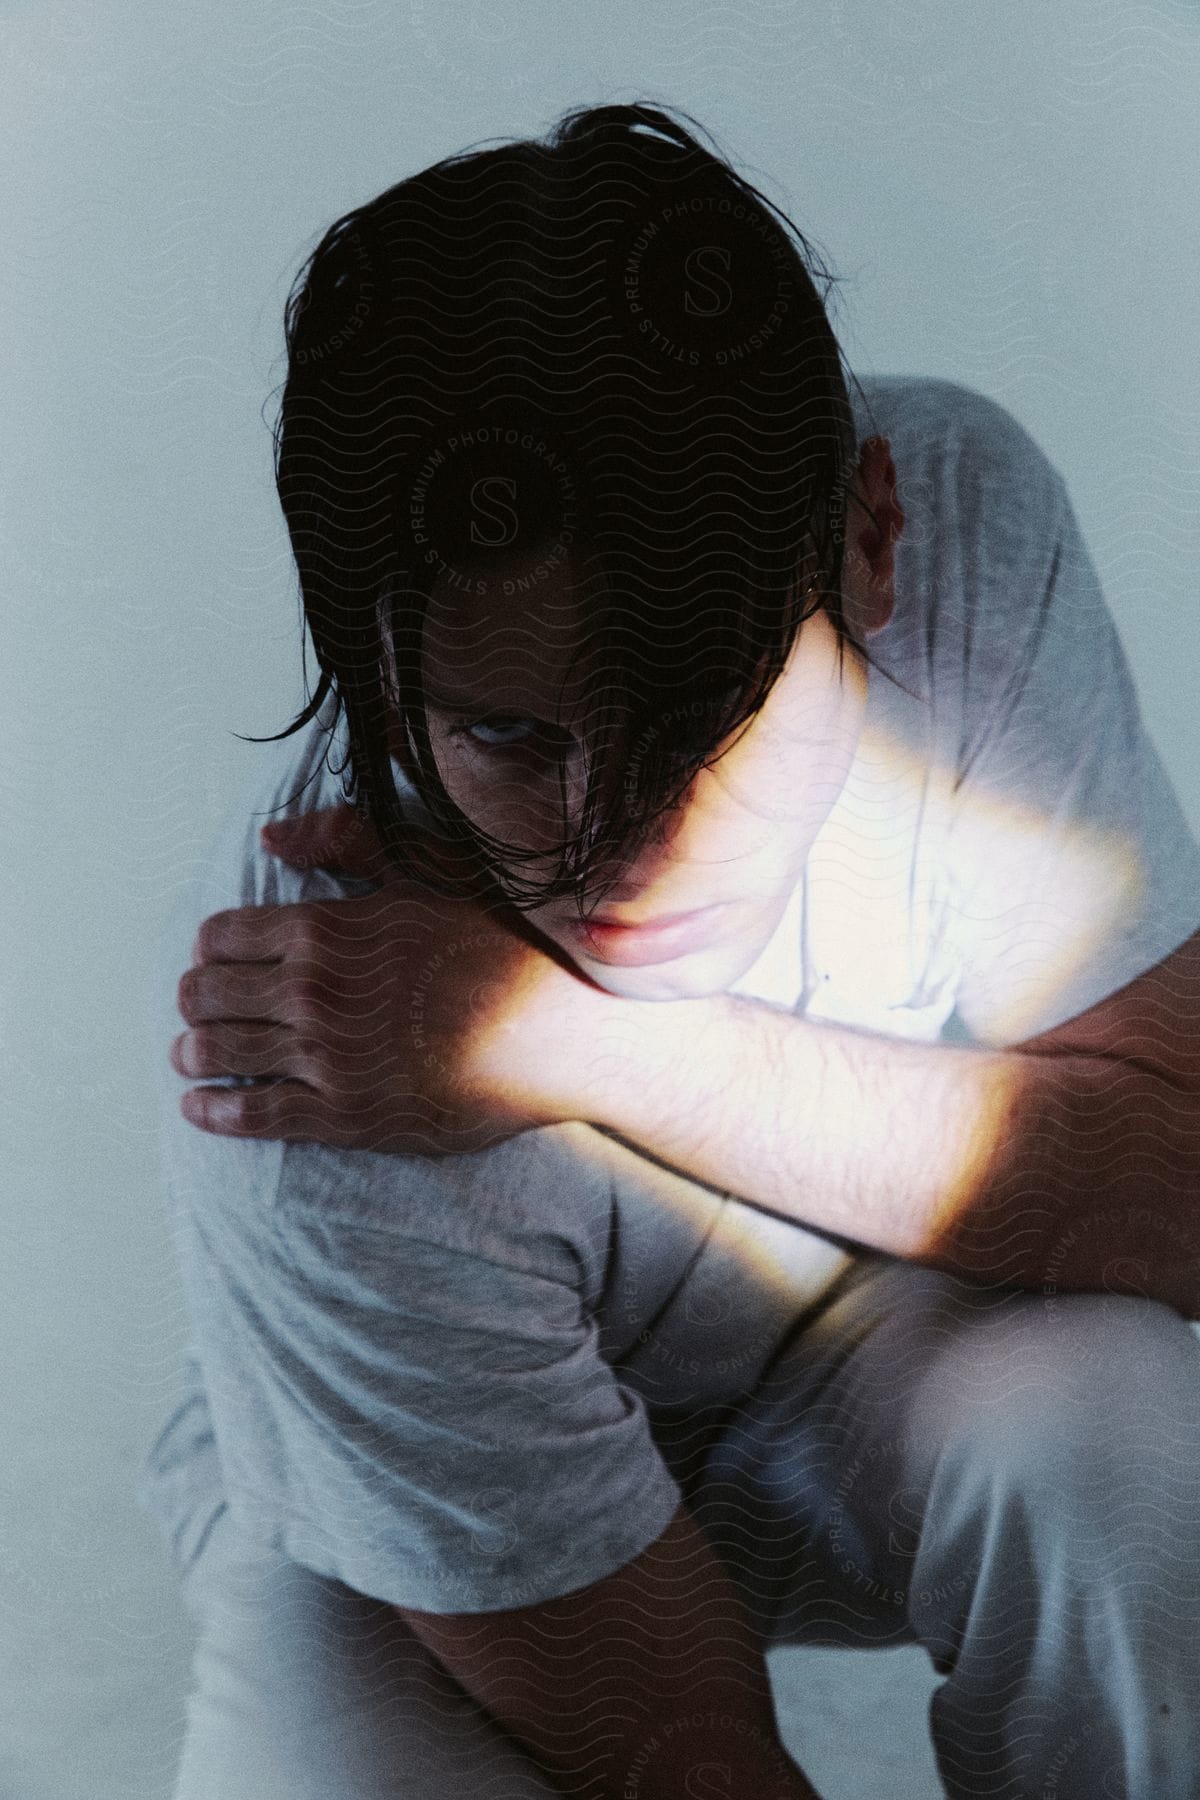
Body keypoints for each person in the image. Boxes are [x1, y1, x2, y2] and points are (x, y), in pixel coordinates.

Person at [139, 102, 1200, 1798]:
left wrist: (573, 1045)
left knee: (1128, 1450)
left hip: (884, 1350)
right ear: (384, 674)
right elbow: (680, 1745)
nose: (626, 848)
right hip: (404, 1510)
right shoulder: (293, 1048)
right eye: (512, 736)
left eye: (712, 725)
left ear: (870, 538)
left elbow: (1181, 1191)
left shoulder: (969, 522)